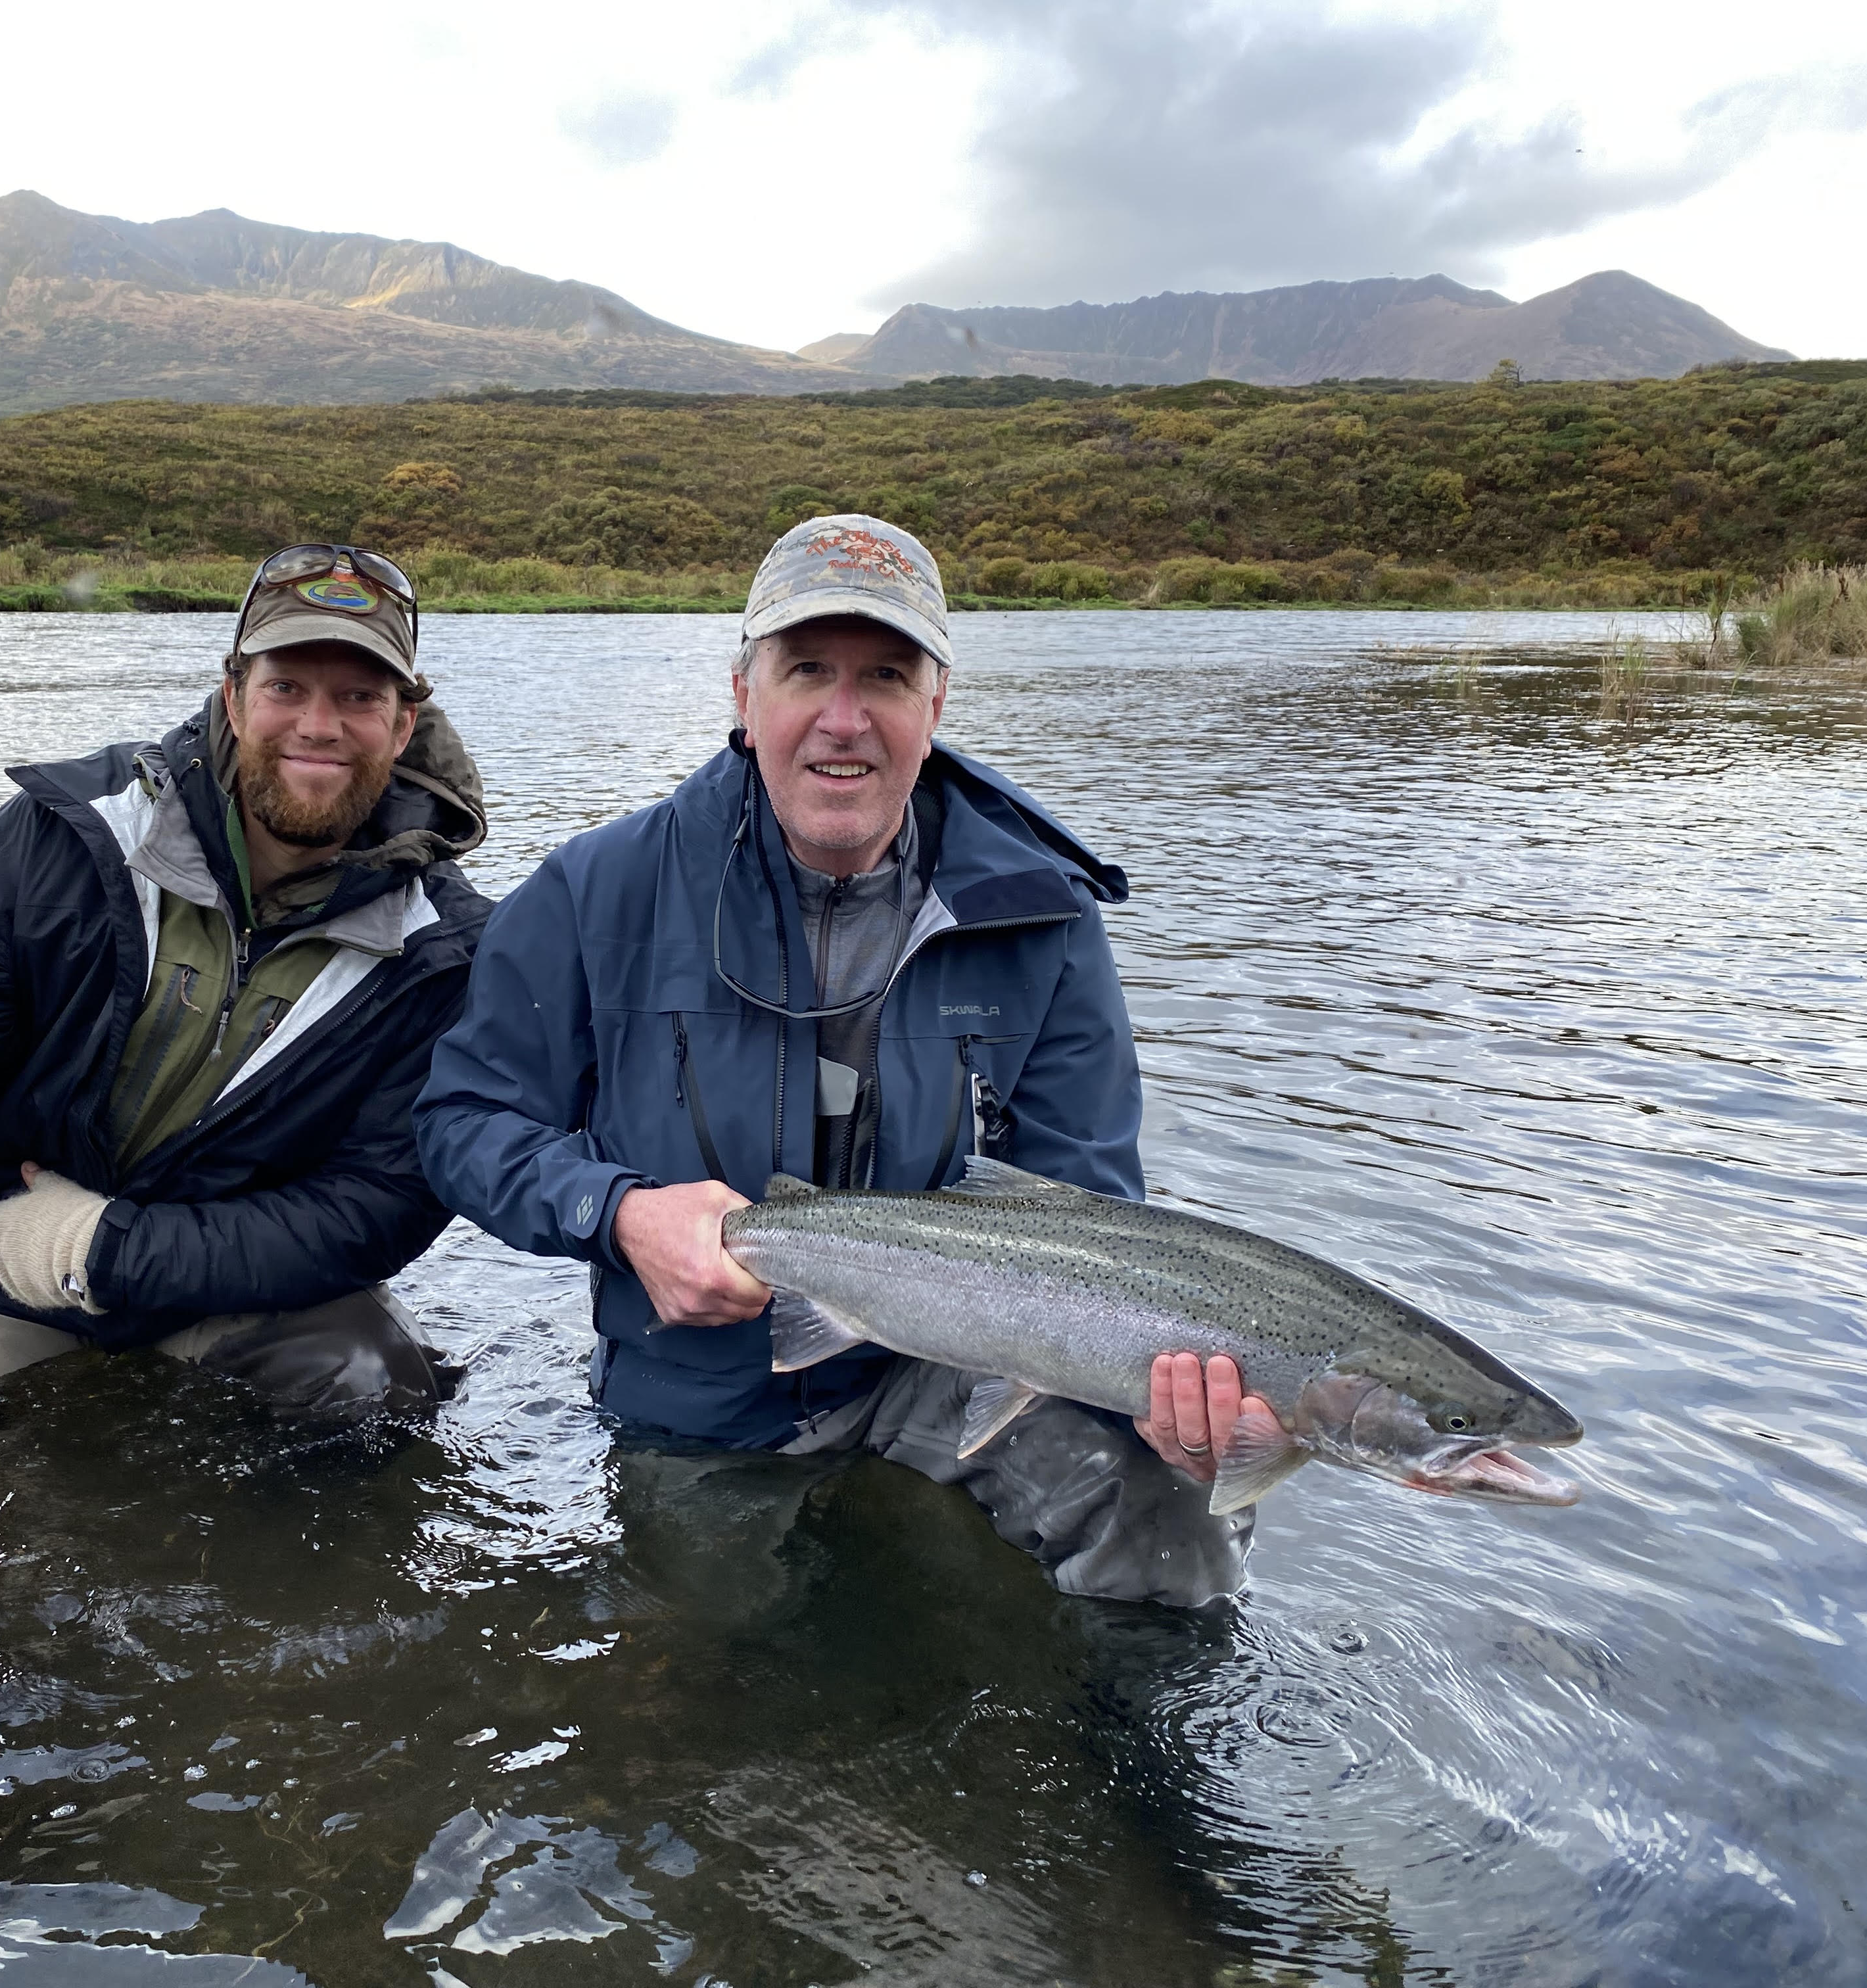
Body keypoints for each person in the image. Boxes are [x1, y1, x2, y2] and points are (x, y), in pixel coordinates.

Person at [414, 514, 1275, 1605]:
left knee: (1176, 1510)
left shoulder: (1043, 921)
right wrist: (619, 1214)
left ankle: (1116, 1759)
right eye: (807, 669)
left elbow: (1087, 1212)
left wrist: (1156, 1395)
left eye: (886, 676)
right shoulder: (597, 891)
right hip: (704, 1403)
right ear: (744, 695)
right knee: (703, 1702)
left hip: (957, 1383)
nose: (843, 719)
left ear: (937, 704)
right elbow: (462, 1122)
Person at [0, 544, 490, 1423]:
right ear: (234, 697)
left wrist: (103, 1248)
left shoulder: (445, 951)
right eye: (287, 688)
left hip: (226, 1279)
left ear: (403, 726)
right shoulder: (64, 835)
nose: (319, 724)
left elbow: (370, 1215)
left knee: (376, 1394)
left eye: (359, 697)